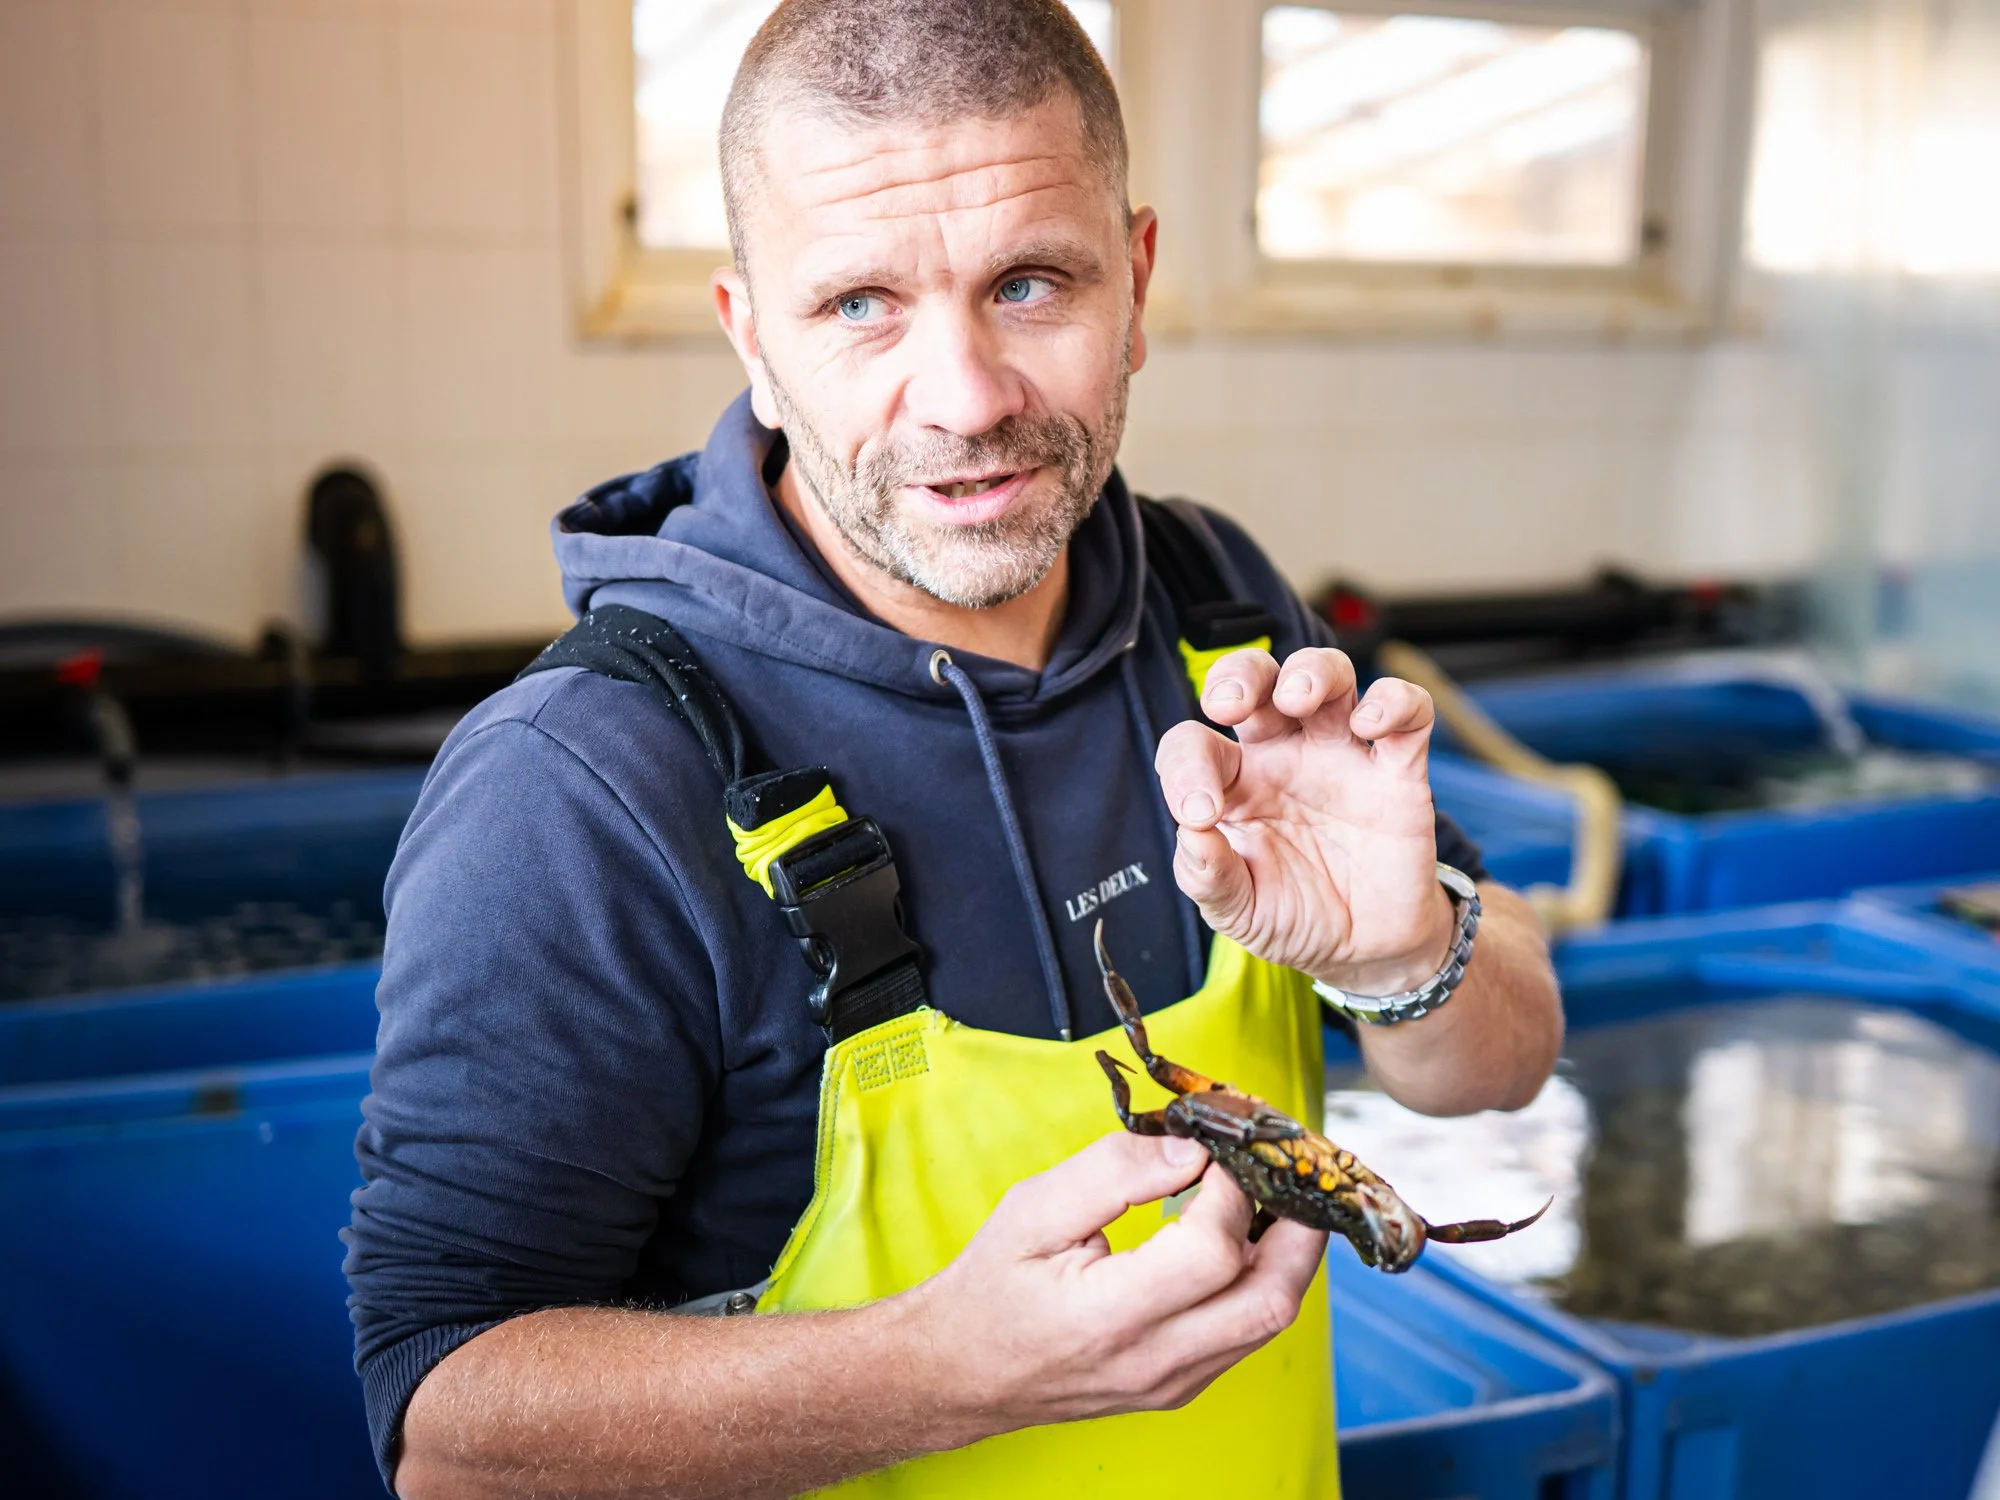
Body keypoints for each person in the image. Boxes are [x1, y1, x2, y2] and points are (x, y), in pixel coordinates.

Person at [344, 2, 1564, 1495]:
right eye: (859, 304)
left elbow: (1495, 1071)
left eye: (1032, 282)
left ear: (1141, 278)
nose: (969, 396)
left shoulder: (1219, 613)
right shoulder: (581, 785)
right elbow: (444, 1434)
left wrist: (1403, 959)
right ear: (751, 334)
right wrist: (936, 1375)